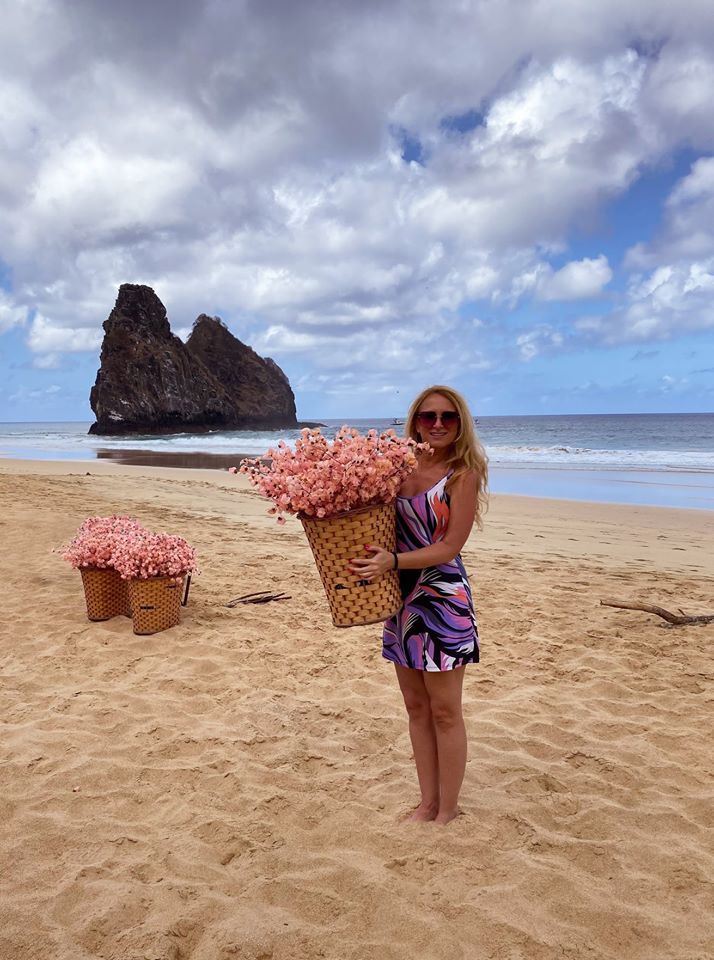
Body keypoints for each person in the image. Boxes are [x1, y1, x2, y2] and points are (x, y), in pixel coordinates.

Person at [349, 385, 488, 825]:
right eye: (429, 417)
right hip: (399, 600)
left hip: (442, 600)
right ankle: (427, 802)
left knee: (445, 710)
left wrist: (391, 561)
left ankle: (448, 809)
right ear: (415, 422)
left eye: (448, 417)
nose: (438, 424)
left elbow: (449, 547)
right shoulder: (397, 468)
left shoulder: (464, 473)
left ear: (461, 423)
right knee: (415, 707)